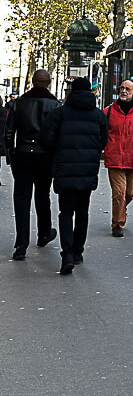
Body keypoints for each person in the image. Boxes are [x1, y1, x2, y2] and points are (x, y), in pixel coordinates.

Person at [39, 77, 108, 275]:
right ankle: (78, 251)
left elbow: (46, 140)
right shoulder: (98, 116)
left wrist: (58, 153)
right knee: (83, 212)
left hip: (65, 169)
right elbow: (102, 142)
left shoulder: (59, 114)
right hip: (87, 170)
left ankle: (67, 253)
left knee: (66, 212)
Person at [4, 70, 61, 260]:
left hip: (22, 153)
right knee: (42, 195)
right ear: (48, 83)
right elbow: (58, 135)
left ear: (32, 81)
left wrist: (11, 156)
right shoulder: (55, 105)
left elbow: (9, 132)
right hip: (45, 155)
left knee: (21, 198)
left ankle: (21, 244)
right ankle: (44, 232)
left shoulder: (19, 103)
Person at [103, 79, 133, 237]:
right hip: (114, 159)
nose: (123, 91)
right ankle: (117, 224)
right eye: (122, 88)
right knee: (119, 192)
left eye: (127, 89)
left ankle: (121, 210)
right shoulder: (109, 111)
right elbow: (100, 132)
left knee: (129, 194)